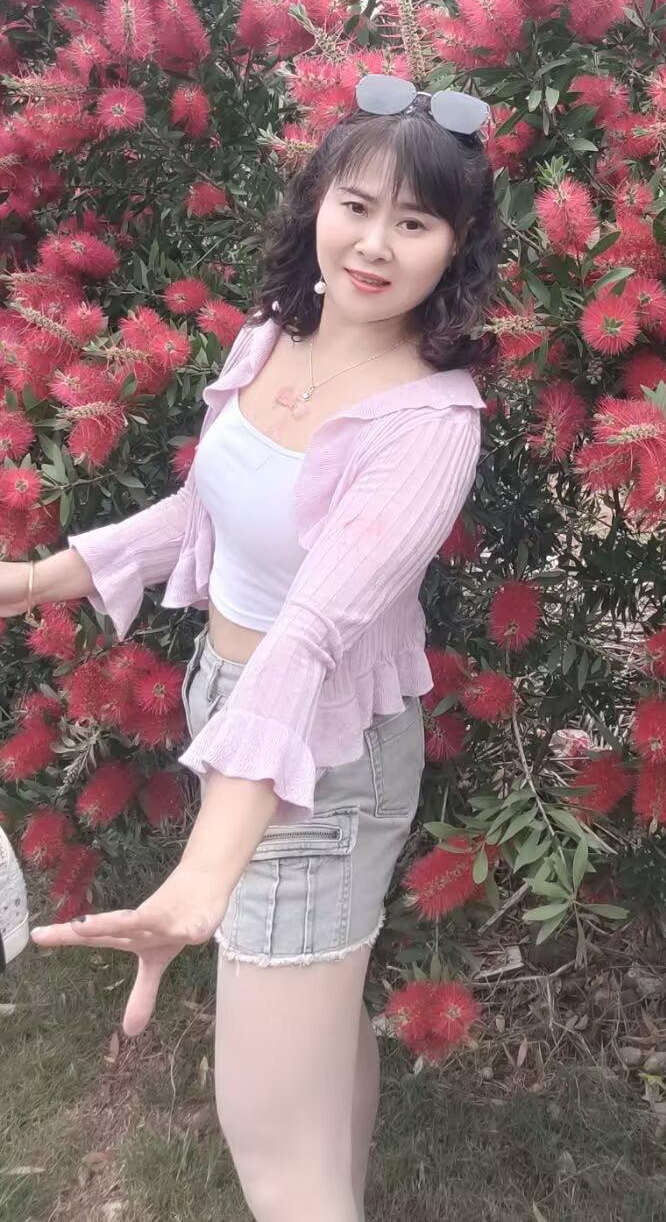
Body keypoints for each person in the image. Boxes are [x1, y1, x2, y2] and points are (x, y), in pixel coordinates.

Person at [0, 71, 502, 1222]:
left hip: (320, 753)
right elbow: (208, 509)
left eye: (414, 222)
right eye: (356, 205)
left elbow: (312, 635)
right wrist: (30, 581)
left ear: (457, 245)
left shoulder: (430, 426)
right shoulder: (274, 336)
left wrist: (203, 874)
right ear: (318, 198)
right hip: (238, 703)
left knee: (269, 1141)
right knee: (316, 1052)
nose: (374, 244)